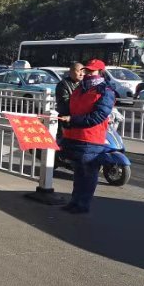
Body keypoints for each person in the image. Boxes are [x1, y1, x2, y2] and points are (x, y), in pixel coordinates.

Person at [58, 59, 117, 214]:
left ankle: (83, 204)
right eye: (87, 71)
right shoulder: (80, 88)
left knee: (88, 173)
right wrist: (65, 118)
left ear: (100, 72)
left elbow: (97, 116)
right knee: (78, 173)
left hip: (91, 139)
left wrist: (73, 120)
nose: (88, 74)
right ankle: (75, 201)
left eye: (92, 71)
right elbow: (70, 107)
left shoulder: (105, 91)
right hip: (74, 136)